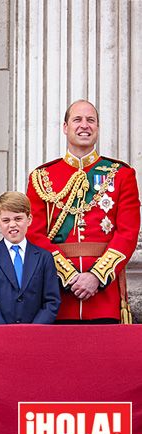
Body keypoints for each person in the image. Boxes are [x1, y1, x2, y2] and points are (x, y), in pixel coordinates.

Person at [26, 100, 141, 324]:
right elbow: (34, 233)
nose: (84, 125)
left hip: (104, 298)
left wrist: (96, 277)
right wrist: (69, 276)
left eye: (91, 120)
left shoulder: (121, 175)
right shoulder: (42, 177)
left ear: (97, 128)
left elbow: (127, 233)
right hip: (57, 296)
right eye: (77, 119)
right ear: (65, 127)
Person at [0, 191, 60, 324]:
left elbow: (51, 300)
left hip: (35, 334)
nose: (12, 224)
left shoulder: (44, 257)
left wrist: (34, 329)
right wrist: (3, 330)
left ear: (29, 220)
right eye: (6, 220)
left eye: (18, 219)